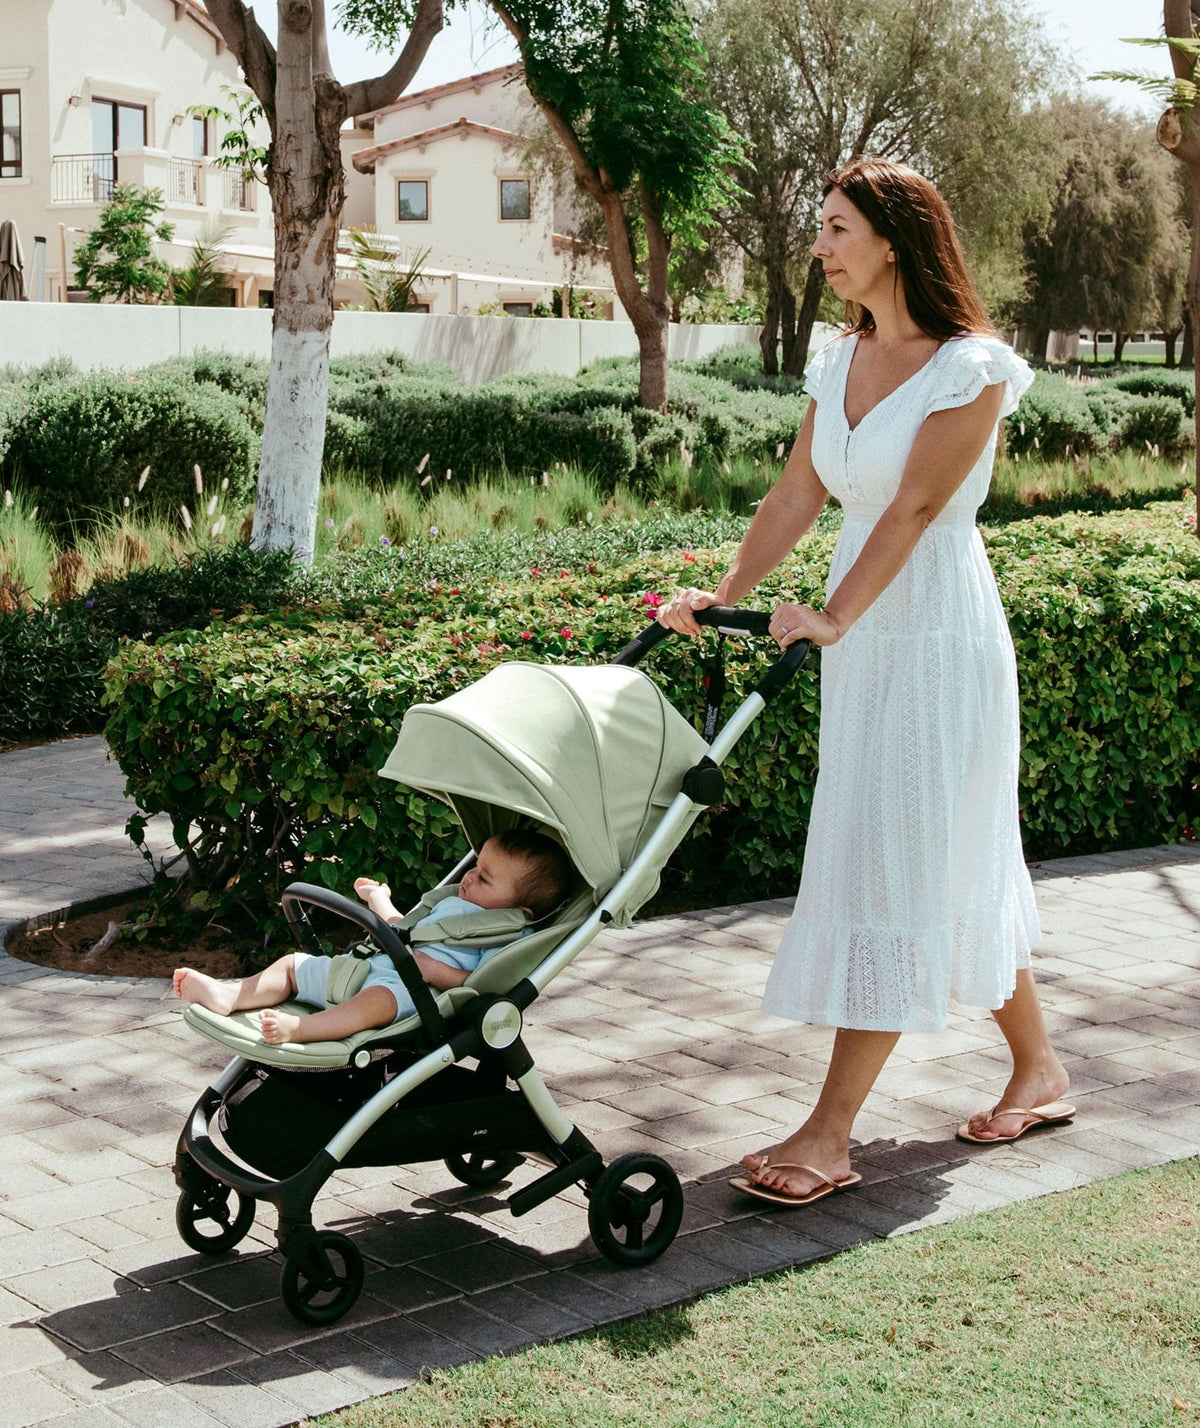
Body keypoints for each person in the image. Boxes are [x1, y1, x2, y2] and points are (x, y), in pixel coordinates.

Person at [659, 157, 1073, 1207]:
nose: (821, 245)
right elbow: (802, 489)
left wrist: (837, 614)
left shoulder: (970, 367)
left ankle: (830, 1131)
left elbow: (916, 511)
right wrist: (723, 591)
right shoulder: (838, 358)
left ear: (893, 238)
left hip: (932, 635)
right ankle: (1041, 1067)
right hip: (865, 641)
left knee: (900, 859)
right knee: (937, 850)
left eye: (837, 228)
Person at [173, 829, 573, 1045]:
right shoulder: (451, 902)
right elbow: (405, 927)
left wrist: (433, 970)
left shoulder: (505, 935)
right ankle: (231, 996)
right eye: (476, 865)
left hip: (413, 994)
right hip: (370, 966)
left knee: (375, 1003)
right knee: (293, 965)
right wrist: (381, 900)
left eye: (484, 877)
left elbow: (482, 985)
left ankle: (305, 1030)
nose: (469, 876)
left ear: (517, 911)